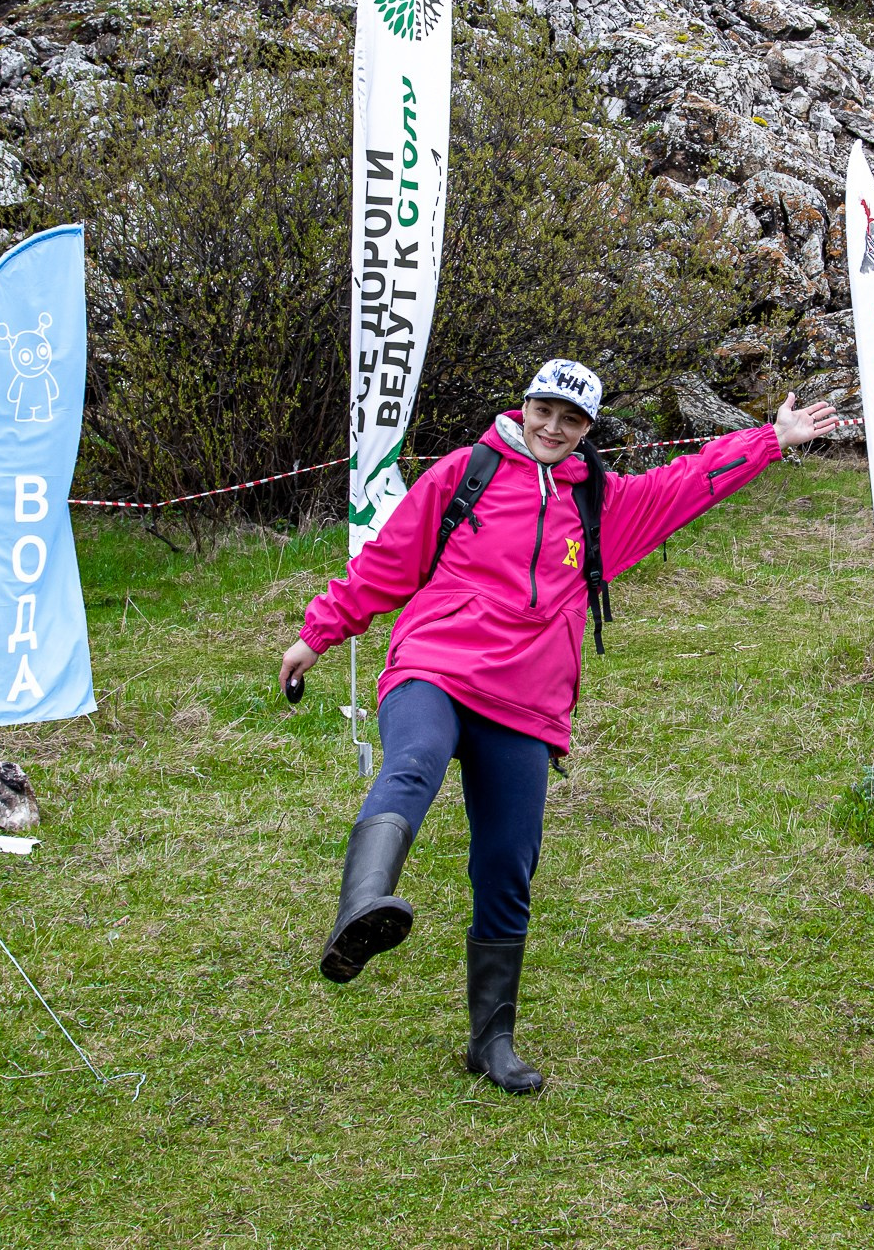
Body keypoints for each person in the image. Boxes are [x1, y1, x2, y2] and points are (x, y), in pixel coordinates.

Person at [279, 359, 840, 1093]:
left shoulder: (601, 503)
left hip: (526, 701)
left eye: (571, 420)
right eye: (545, 410)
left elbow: (688, 481)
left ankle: (492, 1040)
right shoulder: (466, 470)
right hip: (436, 665)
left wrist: (772, 438)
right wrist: (315, 634)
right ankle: (362, 909)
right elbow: (387, 562)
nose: (553, 427)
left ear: (586, 431)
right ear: (525, 404)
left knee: (508, 863)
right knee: (413, 759)